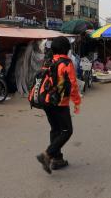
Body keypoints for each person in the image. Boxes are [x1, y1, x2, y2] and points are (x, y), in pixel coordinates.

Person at [36, 36, 82, 174]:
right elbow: (73, 85)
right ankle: (48, 155)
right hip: (59, 103)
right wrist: (77, 102)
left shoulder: (48, 61)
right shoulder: (66, 63)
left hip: (46, 101)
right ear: (66, 49)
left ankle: (57, 160)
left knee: (55, 129)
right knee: (67, 131)